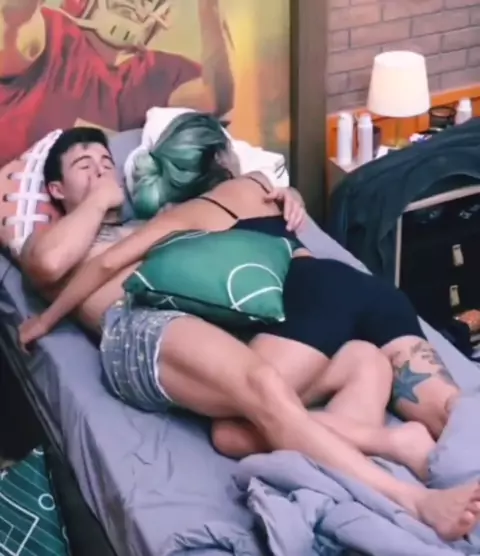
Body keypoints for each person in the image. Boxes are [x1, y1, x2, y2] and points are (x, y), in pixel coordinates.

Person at [18, 123, 480, 541]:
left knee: (364, 359)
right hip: (137, 328)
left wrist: (287, 194)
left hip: (196, 326)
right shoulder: (52, 239)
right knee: (262, 388)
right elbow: (49, 264)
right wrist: (47, 312)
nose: (102, 169)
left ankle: (364, 478)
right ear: (56, 189)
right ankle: (411, 498)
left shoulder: (156, 223)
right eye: (84, 165)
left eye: (106, 161)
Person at [0, 0, 232, 165]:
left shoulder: (163, 72)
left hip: (111, 216)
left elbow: (217, 98)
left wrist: (210, 7)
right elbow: (13, 19)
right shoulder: (49, 34)